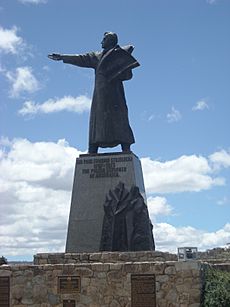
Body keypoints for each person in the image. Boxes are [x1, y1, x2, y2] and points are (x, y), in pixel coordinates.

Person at [48, 32, 139, 154]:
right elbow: (81, 58)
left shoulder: (119, 54)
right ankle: (93, 148)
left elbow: (128, 73)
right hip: (100, 96)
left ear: (110, 41)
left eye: (104, 39)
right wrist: (63, 57)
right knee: (98, 121)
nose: (101, 42)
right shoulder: (96, 56)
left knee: (120, 118)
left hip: (115, 94)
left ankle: (126, 147)